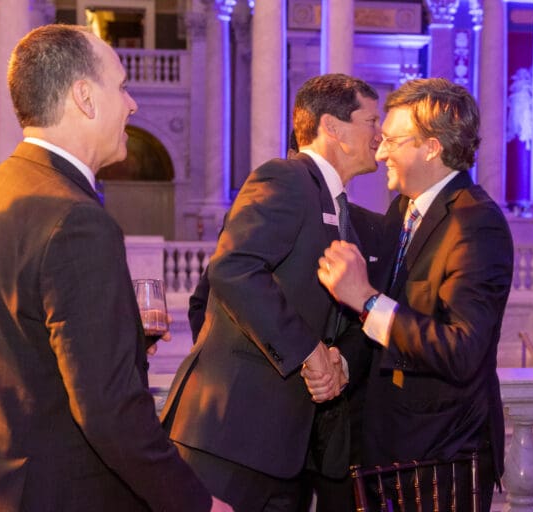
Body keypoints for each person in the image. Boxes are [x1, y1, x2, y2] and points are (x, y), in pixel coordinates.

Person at [0, 24, 231, 512]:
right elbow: (110, 412)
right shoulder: (77, 221)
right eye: (122, 87)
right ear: (85, 97)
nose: (132, 104)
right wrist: (197, 504)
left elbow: (12, 343)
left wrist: (117, 337)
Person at [162, 73, 382, 511]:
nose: (380, 134)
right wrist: (305, 352)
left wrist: (335, 361)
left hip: (287, 454)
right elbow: (232, 270)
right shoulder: (284, 177)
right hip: (229, 439)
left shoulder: (344, 217)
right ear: (333, 127)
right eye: (371, 121)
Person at [317, 77, 514, 511]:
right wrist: (343, 360)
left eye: (392, 140)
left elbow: (462, 349)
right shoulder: (404, 208)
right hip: (392, 453)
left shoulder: (476, 223)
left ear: (431, 147)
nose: (380, 152)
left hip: (443, 463)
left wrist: (367, 300)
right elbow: (387, 325)